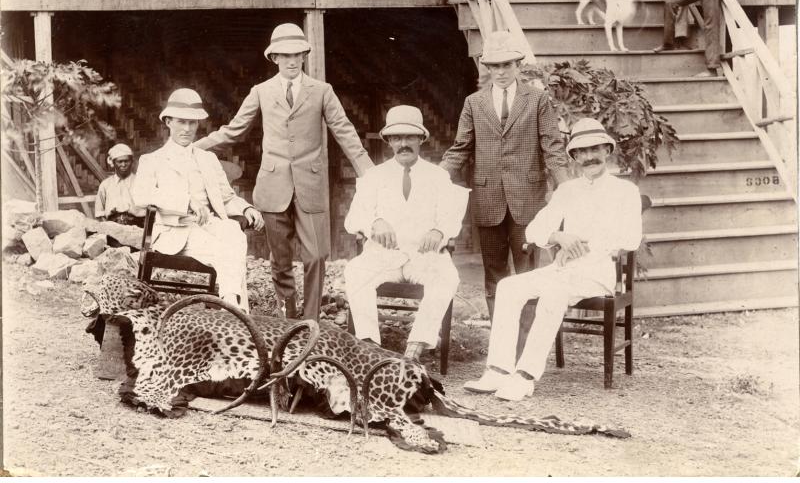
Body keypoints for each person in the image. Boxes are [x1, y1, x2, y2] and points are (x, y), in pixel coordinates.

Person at [194, 23, 373, 320]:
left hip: (310, 186)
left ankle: (311, 320)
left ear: (304, 55)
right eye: (285, 55)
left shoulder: (322, 91)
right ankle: (288, 320)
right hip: (272, 187)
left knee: (316, 255)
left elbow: (345, 131)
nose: (292, 61)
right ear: (274, 57)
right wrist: (193, 148)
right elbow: (234, 130)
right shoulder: (261, 92)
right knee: (280, 261)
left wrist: (369, 171)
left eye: (297, 54)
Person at [463, 118, 642, 401]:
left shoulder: (625, 192)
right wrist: (559, 237)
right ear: (573, 157)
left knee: (554, 292)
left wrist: (584, 242)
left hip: (597, 273)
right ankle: (498, 369)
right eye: (581, 152)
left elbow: (630, 239)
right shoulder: (567, 191)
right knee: (508, 287)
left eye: (595, 149)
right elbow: (535, 230)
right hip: (563, 269)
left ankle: (525, 376)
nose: (588, 157)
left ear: (608, 150)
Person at [440, 30, 569, 320]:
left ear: (518, 65)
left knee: (527, 274)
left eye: (507, 65)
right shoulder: (474, 103)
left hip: (528, 201)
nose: (500, 72)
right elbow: (461, 148)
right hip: (489, 201)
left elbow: (552, 146)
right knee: (494, 271)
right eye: (495, 66)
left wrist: (569, 188)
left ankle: (524, 341)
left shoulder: (537, 100)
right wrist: (434, 180)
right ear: (487, 67)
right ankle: (500, 338)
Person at [344, 106, 469, 359]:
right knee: (355, 271)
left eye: (410, 137)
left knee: (446, 276)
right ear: (389, 141)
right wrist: (375, 222)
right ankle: (369, 347)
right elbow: (354, 217)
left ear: (421, 139)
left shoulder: (438, 176)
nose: (403, 144)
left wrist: (438, 230)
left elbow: (450, 215)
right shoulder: (374, 176)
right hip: (384, 256)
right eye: (397, 138)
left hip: (423, 256)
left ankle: (416, 347)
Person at [132, 88, 264, 313]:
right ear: (168, 121)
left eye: (192, 123)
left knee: (234, 232)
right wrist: (186, 202)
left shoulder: (208, 159)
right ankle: (235, 309)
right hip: (175, 231)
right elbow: (140, 196)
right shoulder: (152, 160)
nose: (187, 129)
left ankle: (231, 305)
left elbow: (226, 197)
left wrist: (247, 208)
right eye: (181, 122)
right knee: (227, 250)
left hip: (207, 225)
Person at [95, 143, 146, 227]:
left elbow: (149, 211)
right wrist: (109, 230)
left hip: (137, 227)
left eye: (126, 161)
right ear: (113, 163)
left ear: (131, 161)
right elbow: (99, 213)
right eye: (120, 161)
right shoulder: (105, 185)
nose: (123, 165)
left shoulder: (141, 182)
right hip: (112, 228)